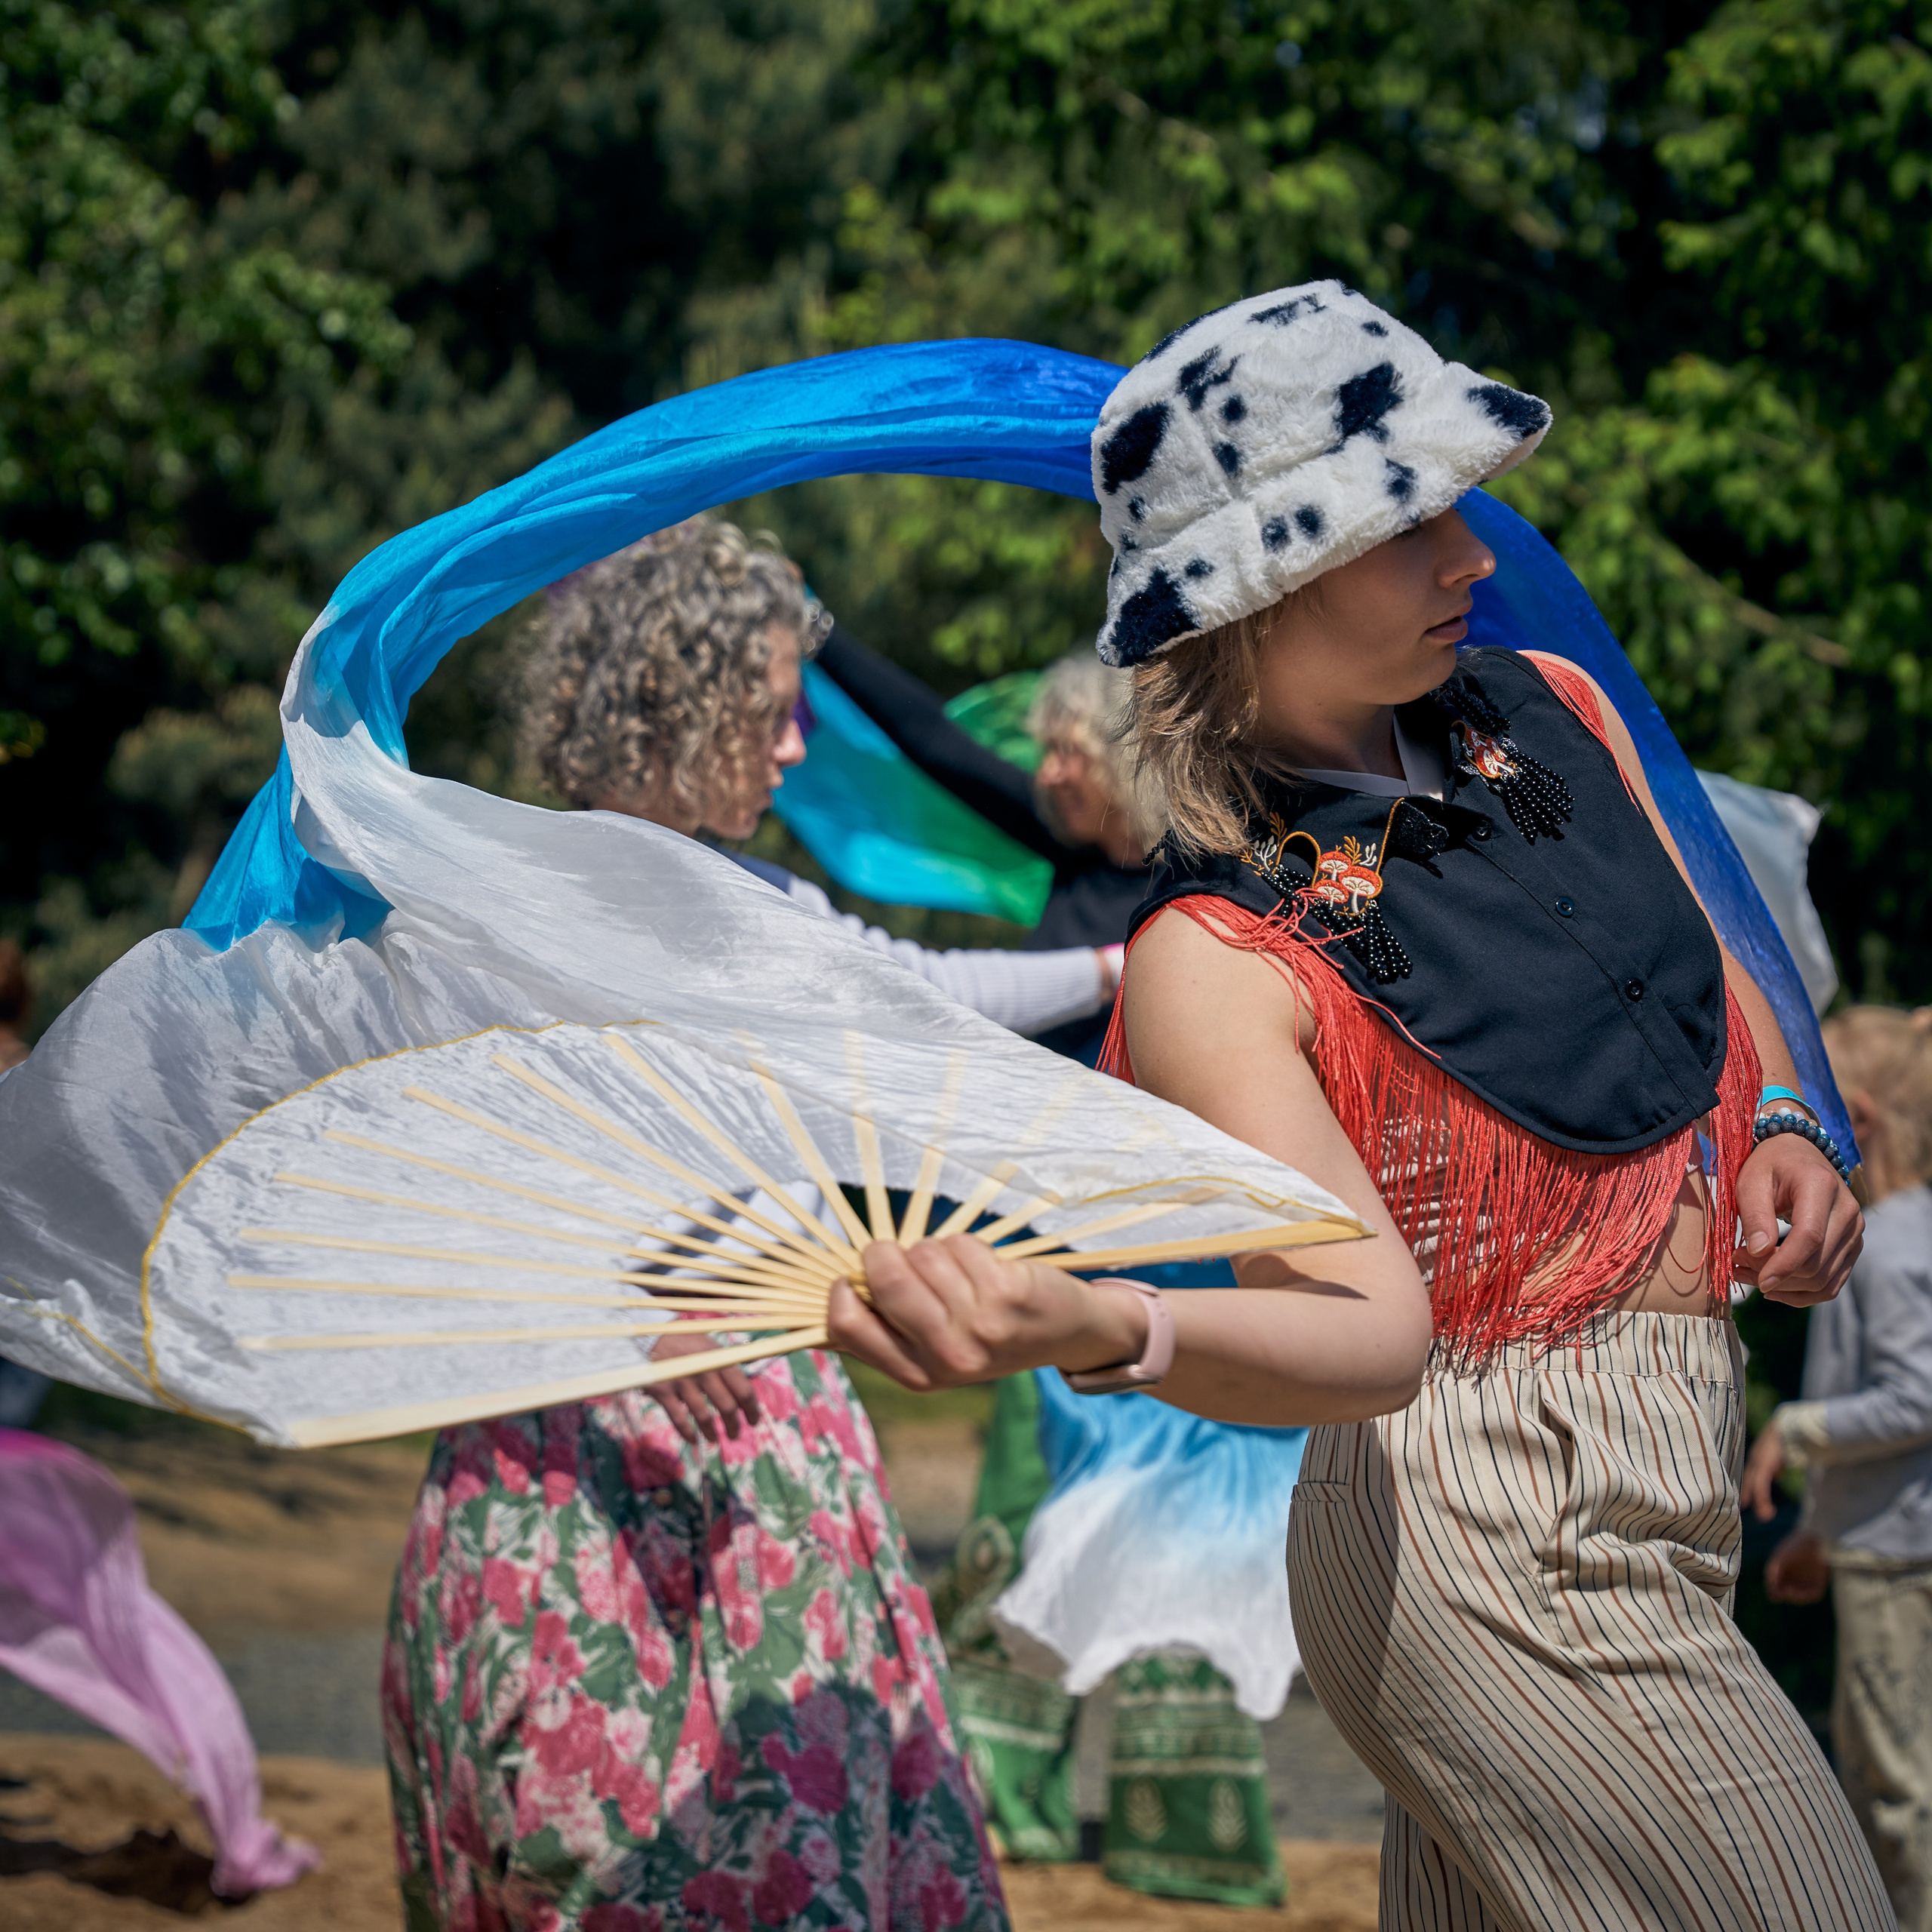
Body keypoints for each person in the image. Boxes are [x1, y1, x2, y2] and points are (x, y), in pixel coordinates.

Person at [832, 281, 1888, 1930]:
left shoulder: (1558, 708)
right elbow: (1368, 1332)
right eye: (1410, 524)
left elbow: (1713, 953)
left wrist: (1784, 1129)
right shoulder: (1212, 956)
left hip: (1665, 1516)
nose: (1474, 554)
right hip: (1481, 1550)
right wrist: (1091, 1320)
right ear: (1255, 589)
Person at [383, 517, 1124, 1932]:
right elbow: (463, 1164)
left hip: (766, 1450)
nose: (796, 749)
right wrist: (620, 1306)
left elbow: (923, 1000)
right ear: (682, 698)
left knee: (787, 1835)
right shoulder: (498, 908)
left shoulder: (765, 904)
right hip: (570, 1449)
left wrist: (1123, 954)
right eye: (774, 712)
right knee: (578, 1835)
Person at [1744, 1005, 1932, 1931]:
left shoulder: (1888, 1250)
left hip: (1894, 1561)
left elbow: (1917, 1397)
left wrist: (1799, 1429)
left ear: (1851, 1118)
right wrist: (1819, 1528)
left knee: (1893, 1786)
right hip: (1880, 1539)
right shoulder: (1912, 1235)